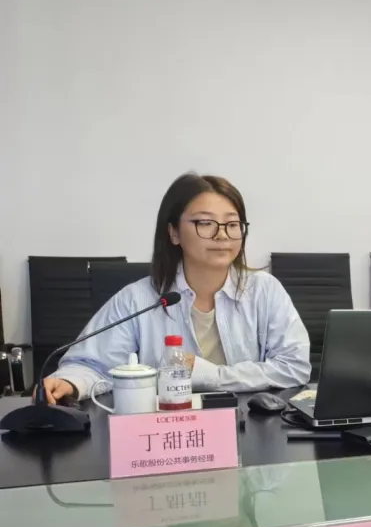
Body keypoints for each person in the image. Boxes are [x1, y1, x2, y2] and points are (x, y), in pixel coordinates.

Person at [41, 173, 311, 403]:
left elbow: (294, 366)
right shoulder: (139, 300)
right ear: (173, 232)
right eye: (205, 223)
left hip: (249, 430)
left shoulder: (265, 291)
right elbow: (91, 365)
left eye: (232, 224)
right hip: (167, 432)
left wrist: (212, 376)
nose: (222, 234)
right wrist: (69, 382)